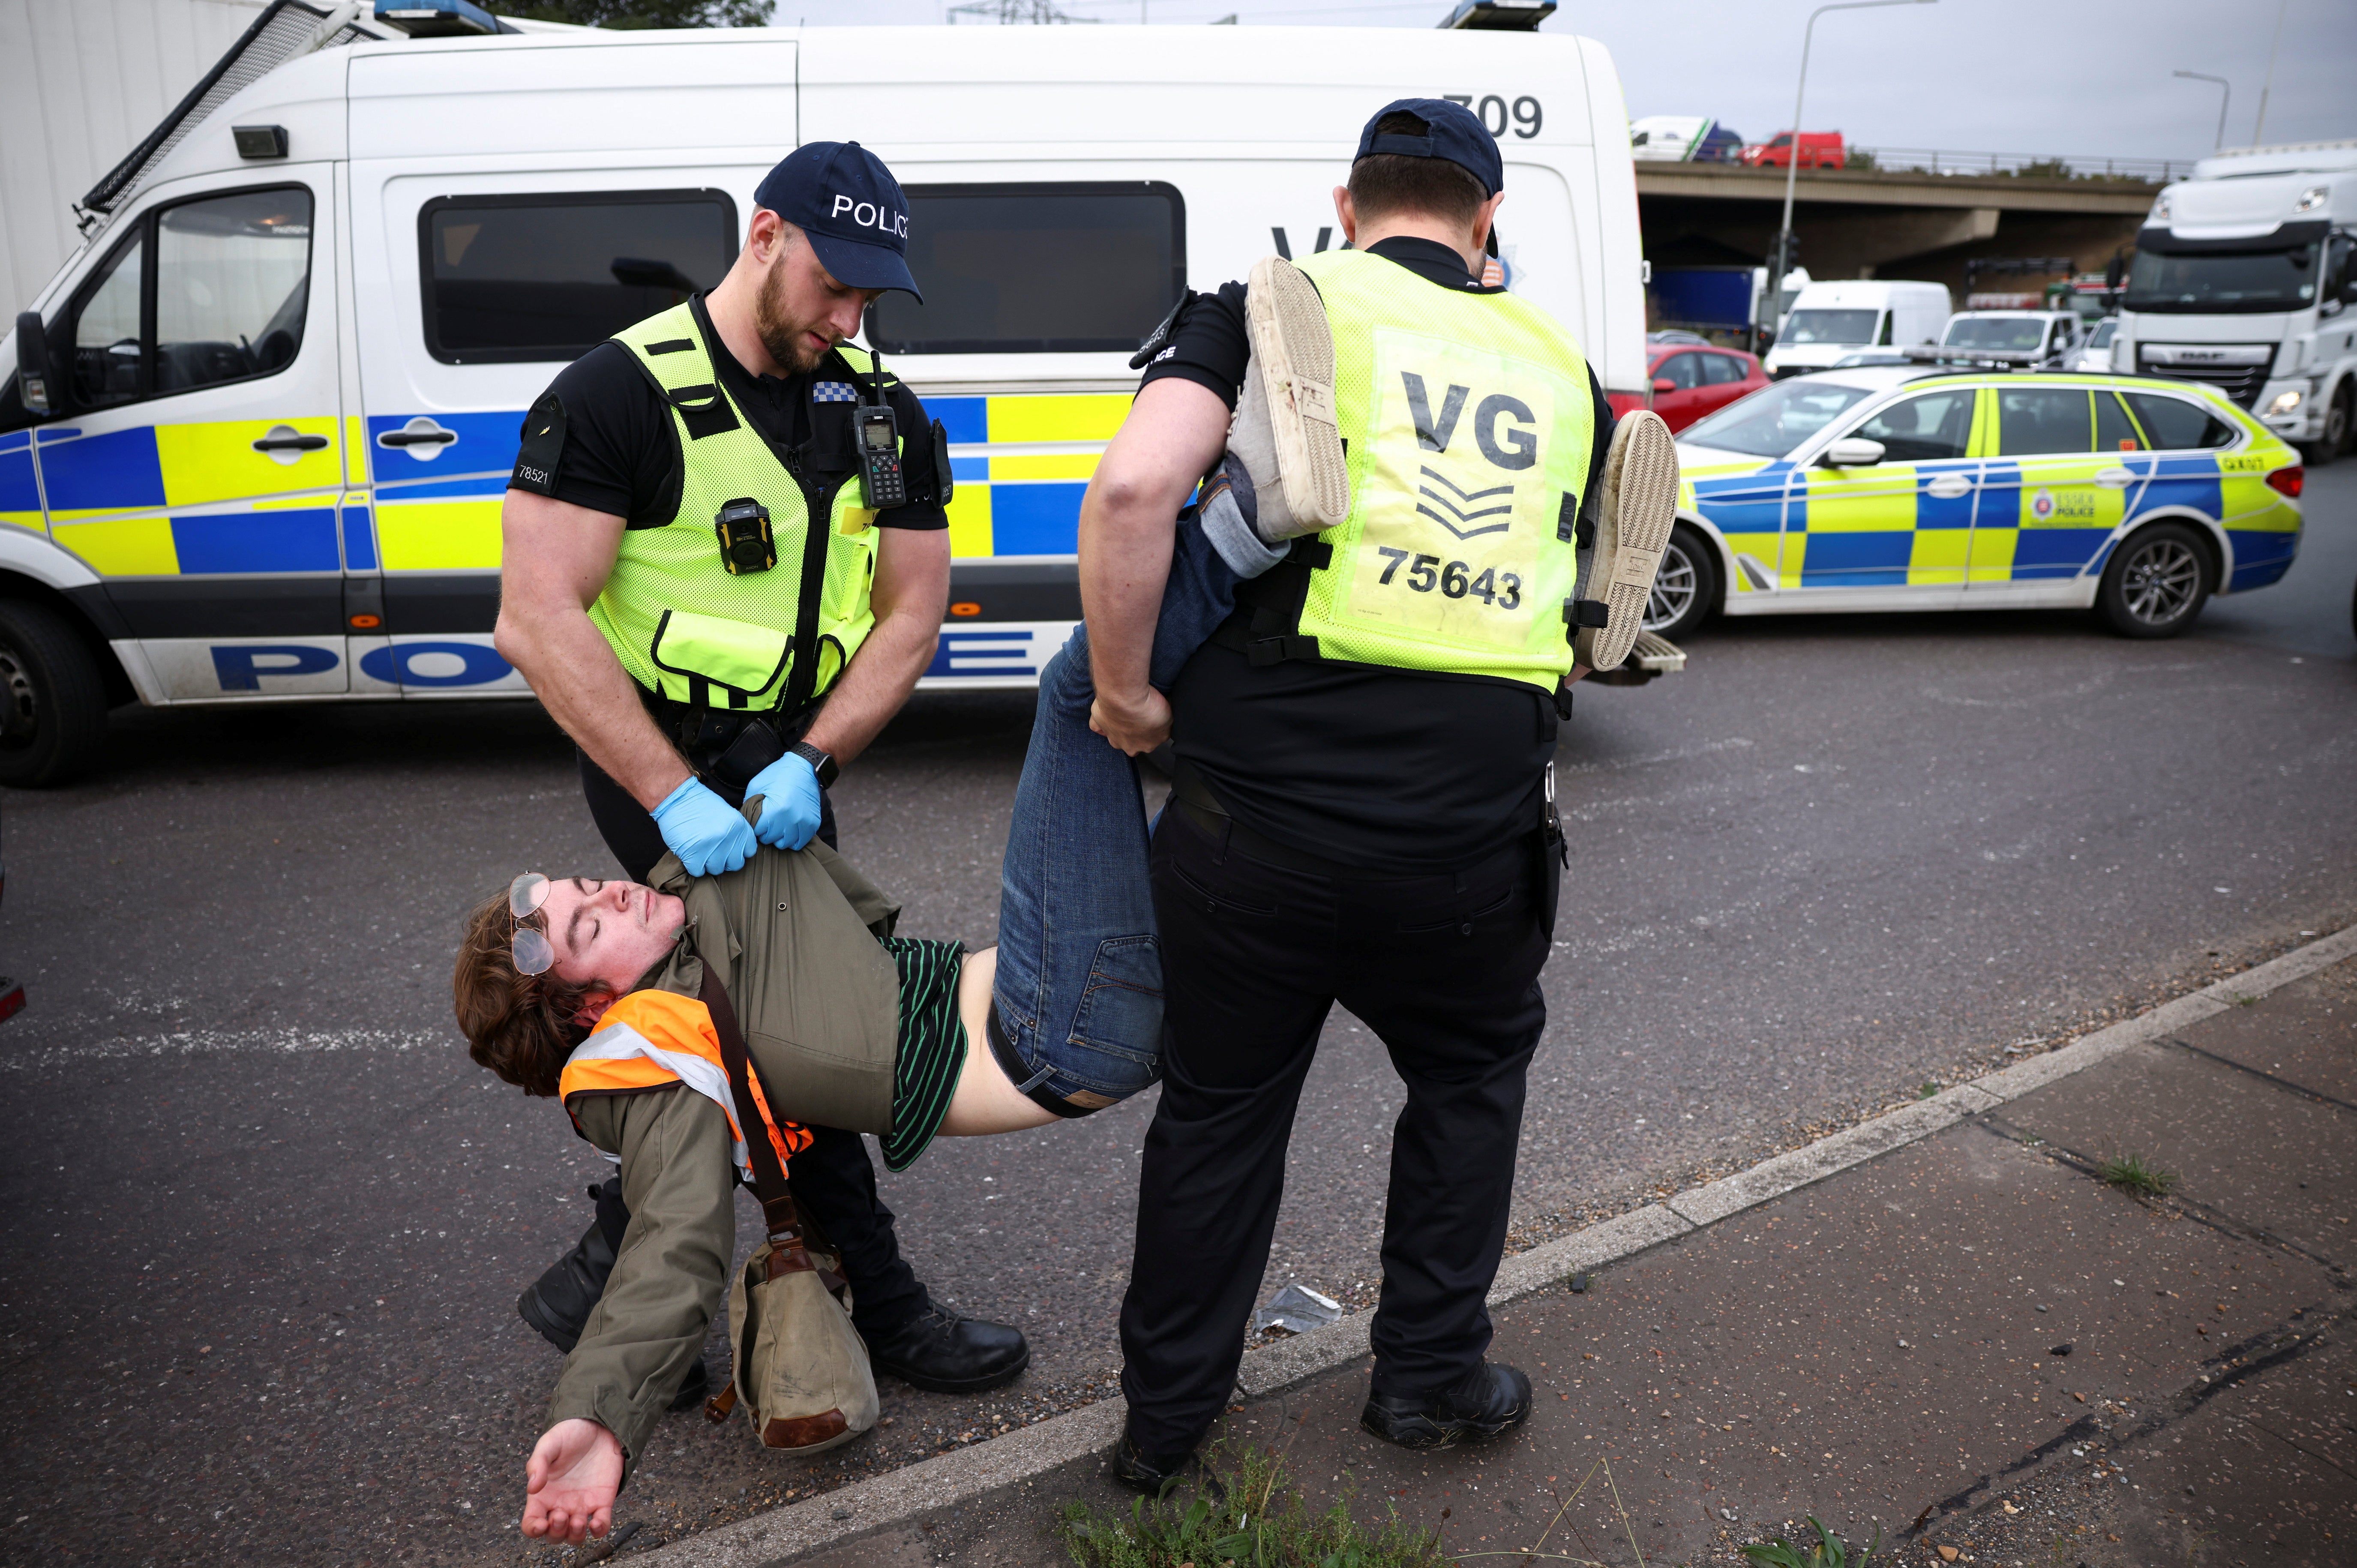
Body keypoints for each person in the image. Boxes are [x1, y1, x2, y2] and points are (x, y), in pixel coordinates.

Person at [455, 503, 1280, 1547]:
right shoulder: (648, 1054)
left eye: (588, 885)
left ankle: (1312, 624)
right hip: (1059, 1025)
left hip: (1047, 992)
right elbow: (673, 1241)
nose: (609, 894)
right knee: (1082, 688)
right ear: (590, 1007)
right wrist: (598, 1419)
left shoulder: (676, 890)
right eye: (586, 925)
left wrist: (780, 764)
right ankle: (1251, 523)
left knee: (1242, 808)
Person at [1080, 99, 1678, 1486]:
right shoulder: (1562, 372)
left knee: (1220, 1118)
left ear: (1348, 208)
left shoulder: (1272, 307)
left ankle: (1163, 1438)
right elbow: (1594, 601)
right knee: (1468, 1084)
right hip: (1465, 851)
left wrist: (1122, 699)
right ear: (1488, 230)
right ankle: (1425, 1382)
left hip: (1251, 831)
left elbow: (1129, 496)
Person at [490, 140, 1021, 1401]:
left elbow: (910, 612)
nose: (849, 319)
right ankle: (880, 1303)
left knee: (737, 1037)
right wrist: (673, 793)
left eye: (870, 299)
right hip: (654, 769)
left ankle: (611, 1280)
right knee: (793, 1040)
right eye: (834, 287)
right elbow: (536, 617)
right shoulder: (617, 394)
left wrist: (812, 754)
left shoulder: (880, 412)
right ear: (765, 234)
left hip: (786, 769)